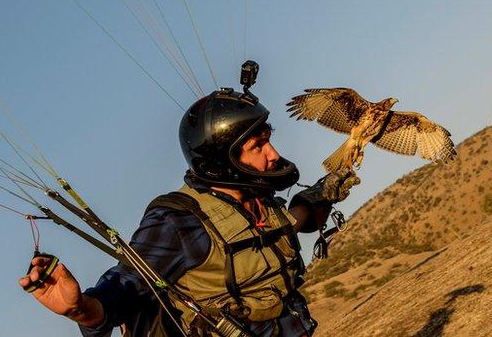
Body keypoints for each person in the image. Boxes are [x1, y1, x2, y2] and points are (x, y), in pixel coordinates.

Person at [19, 86, 359, 336]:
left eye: (268, 140)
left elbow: (278, 231)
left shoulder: (258, 202)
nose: (272, 154)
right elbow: (124, 286)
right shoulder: (179, 221)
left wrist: (320, 195)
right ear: (223, 159)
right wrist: (81, 309)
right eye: (258, 146)